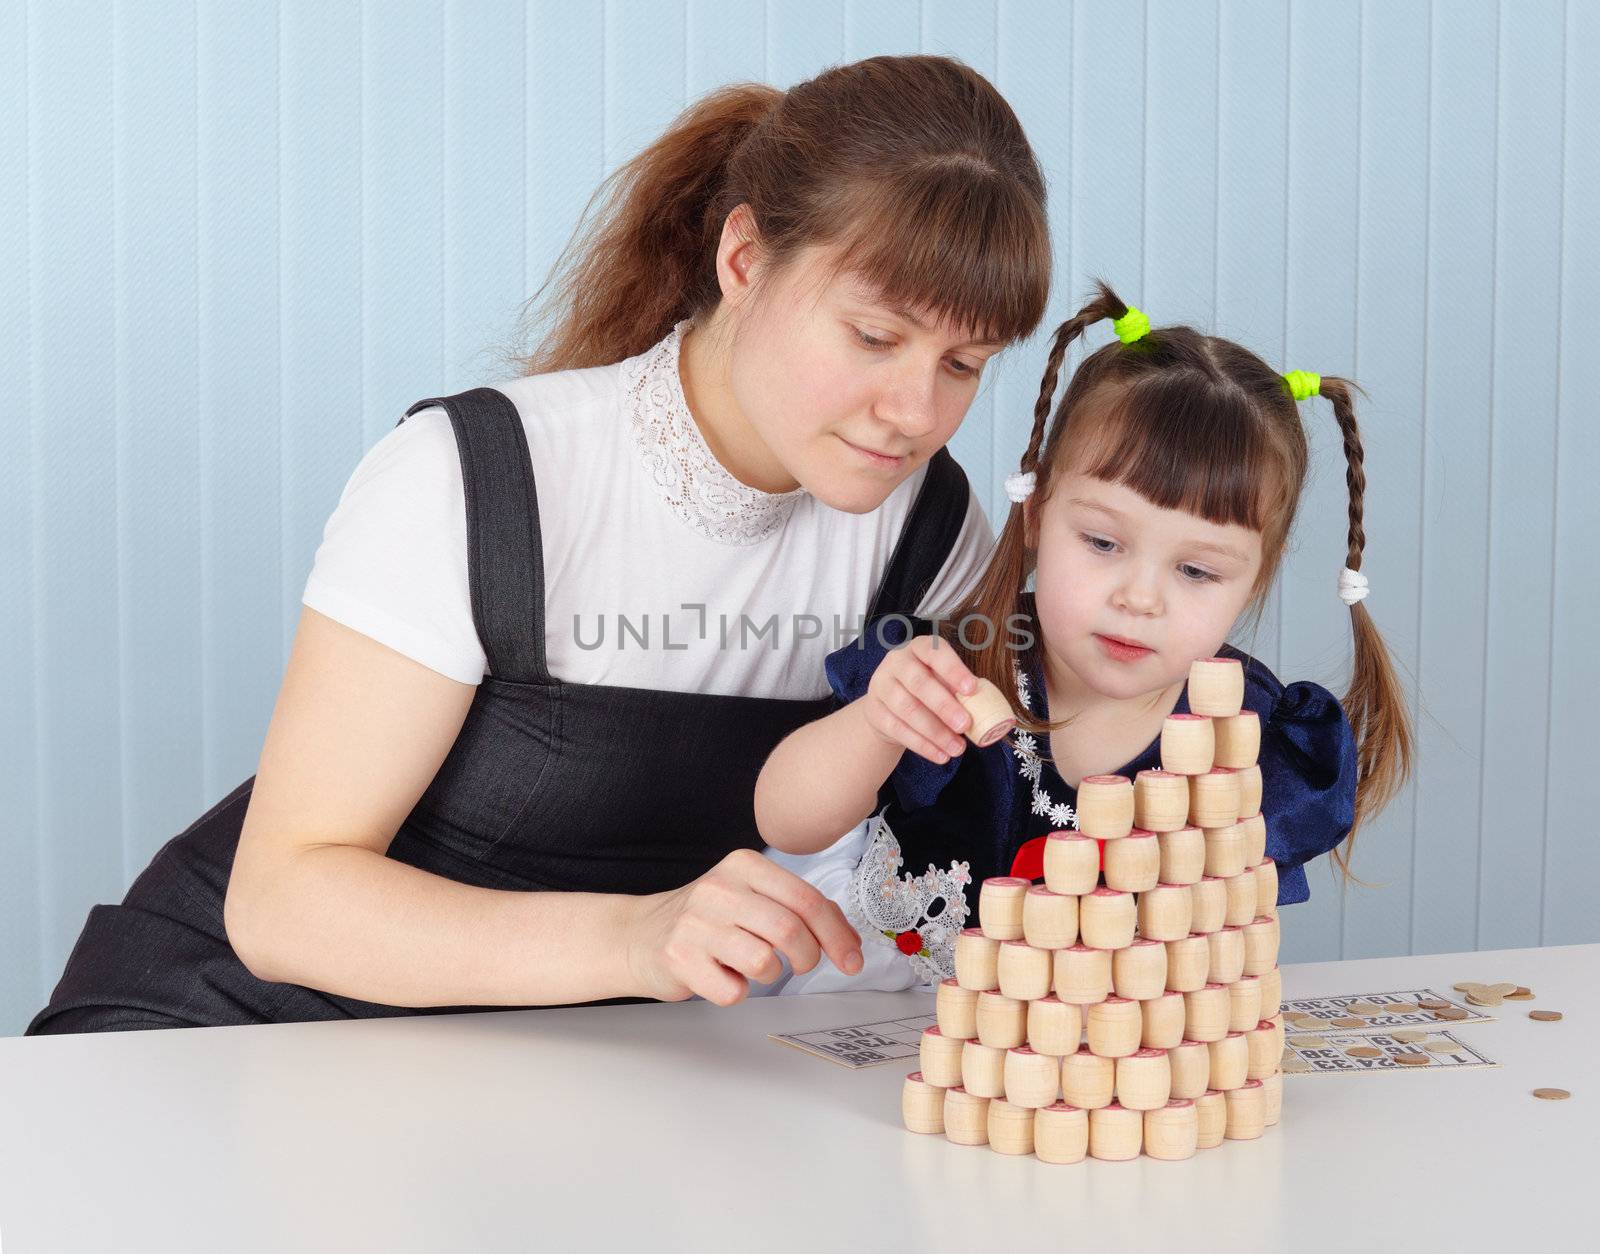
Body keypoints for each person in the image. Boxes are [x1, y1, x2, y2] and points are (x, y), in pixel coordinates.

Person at [25, 54, 1052, 1033]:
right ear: (742, 260)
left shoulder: (926, 530)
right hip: (225, 1037)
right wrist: (637, 940)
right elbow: (281, 901)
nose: (914, 410)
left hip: (548, 1084)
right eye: (874, 337)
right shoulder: (474, 478)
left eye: (963, 364)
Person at [754, 280, 1414, 988]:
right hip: (882, 1012)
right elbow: (785, 822)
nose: (1139, 598)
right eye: (1102, 543)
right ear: (1036, 515)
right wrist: (880, 721)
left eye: (1196, 570)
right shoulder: (962, 662)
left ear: (1254, 579)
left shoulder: (1249, 740)